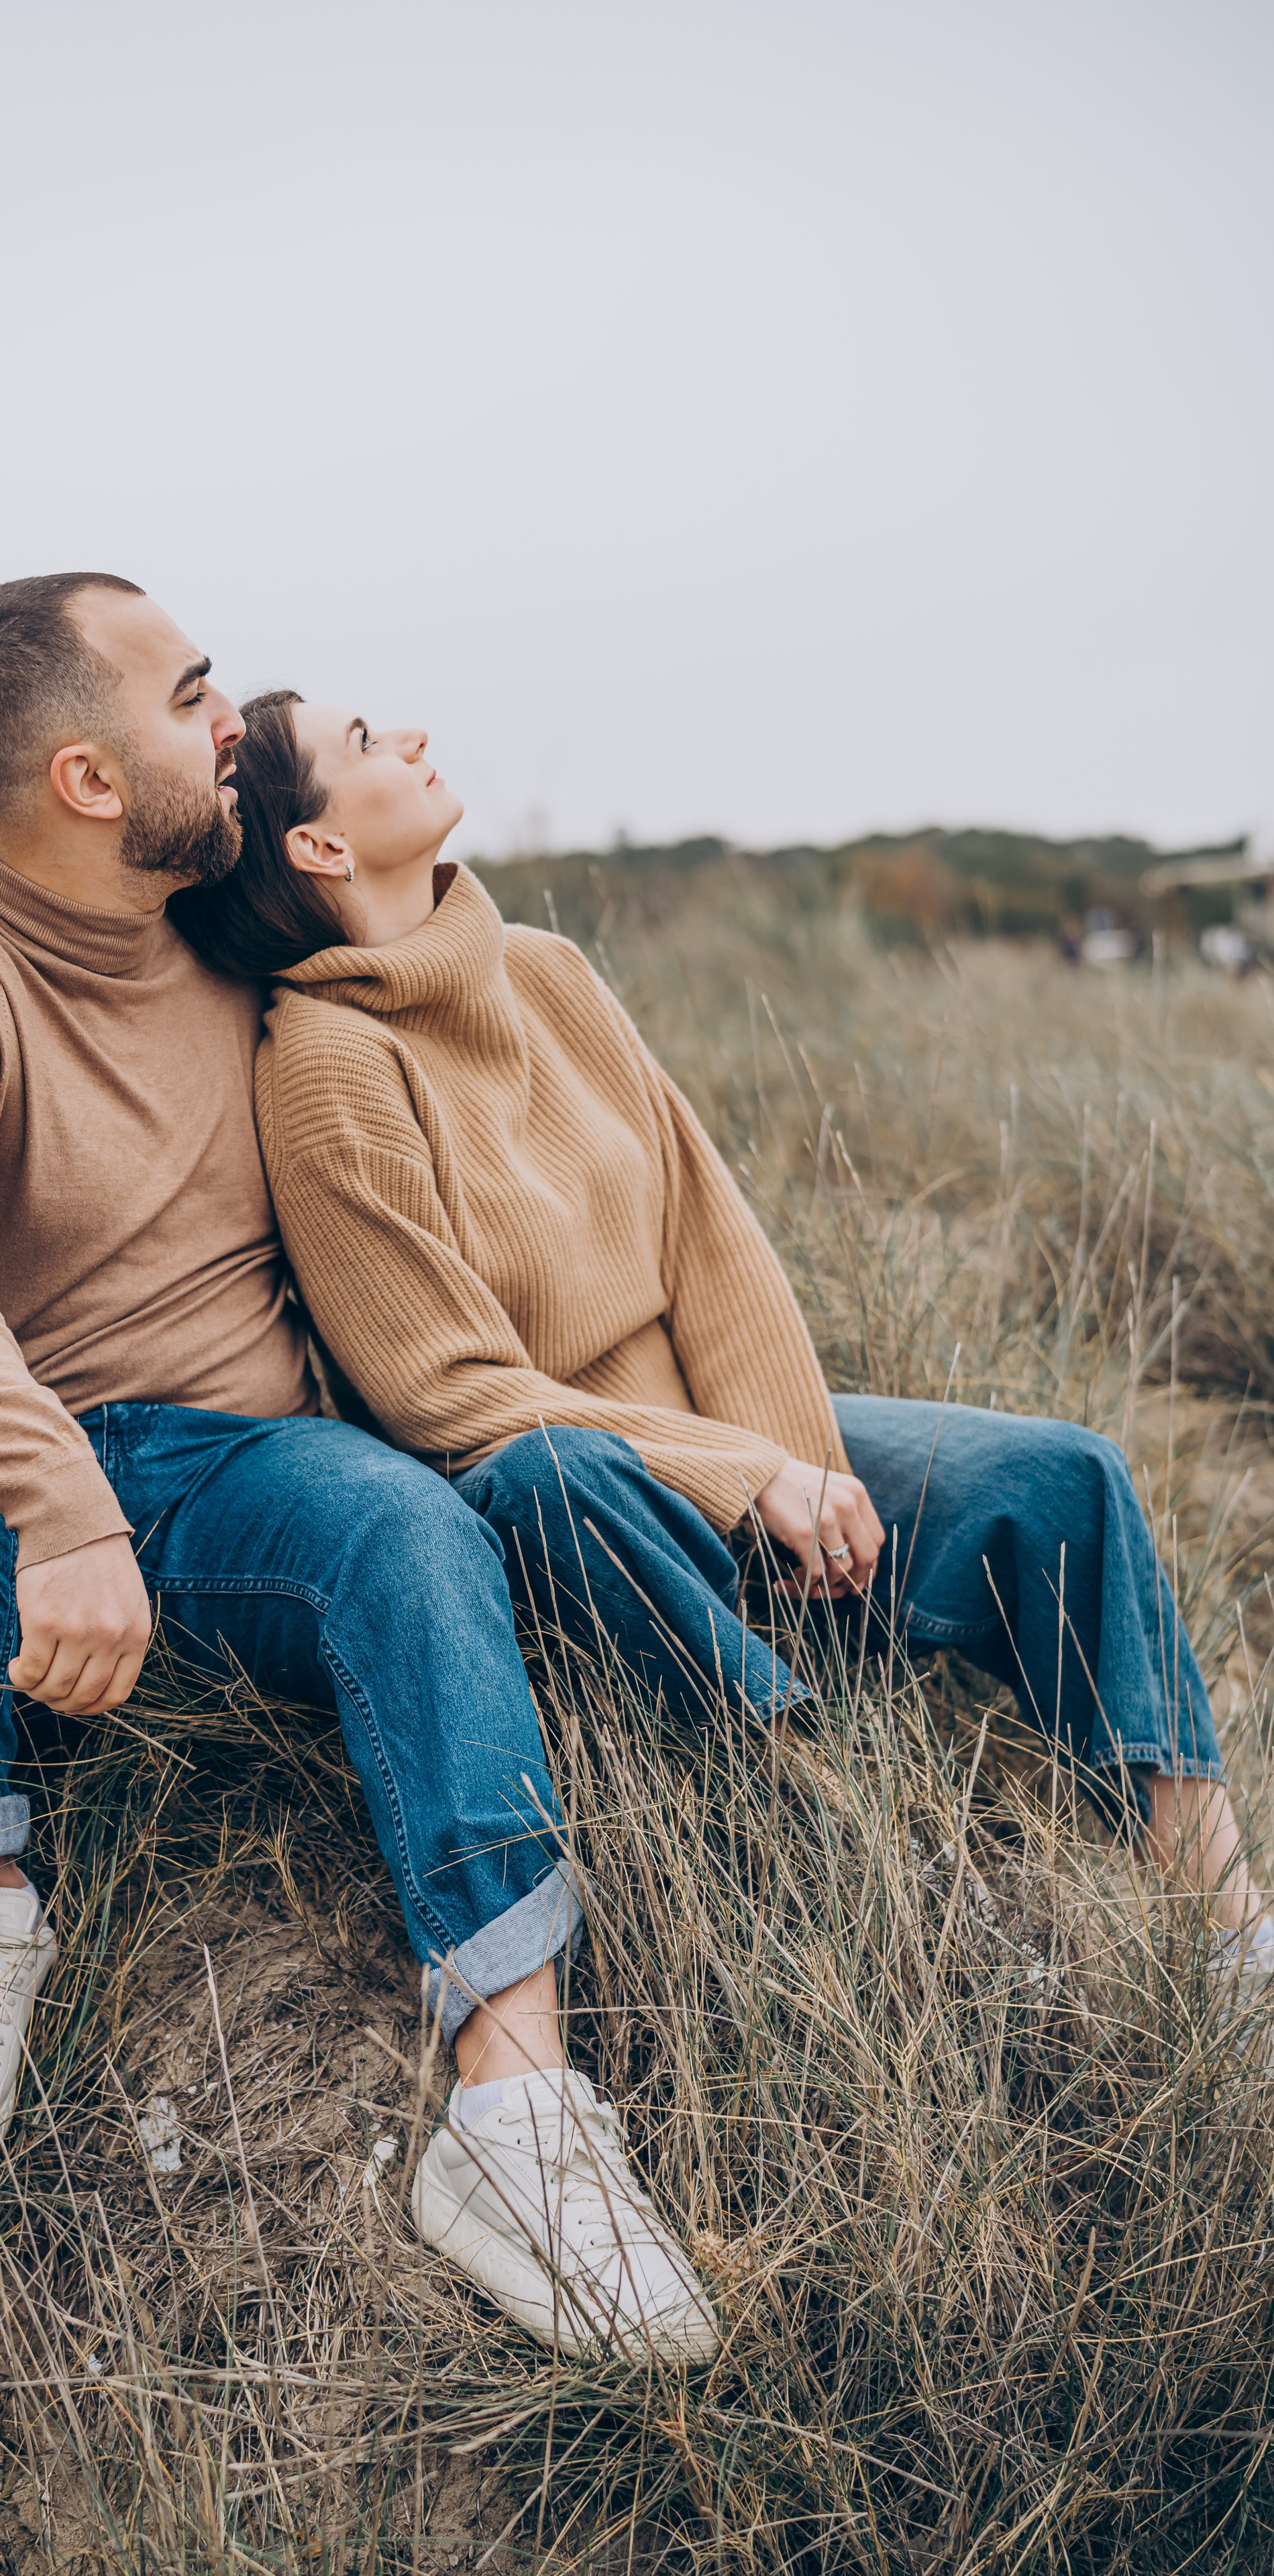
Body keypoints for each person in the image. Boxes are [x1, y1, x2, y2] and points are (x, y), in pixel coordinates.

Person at [0, 574, 719, 2365]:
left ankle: (516, 2115)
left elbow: (444, 1004)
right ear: (83, 776)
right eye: (193, 690)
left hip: (245, 1482)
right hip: (18, 1482)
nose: (235, 718)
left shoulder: (233, 942)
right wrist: (57, 1501)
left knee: (406, 1529)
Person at [170, 690, 1273, 2086]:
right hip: (570, 1505)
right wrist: (737, 1480)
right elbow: (440, 1392)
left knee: (1063, 1478)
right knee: (548, 1474)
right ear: (320, 851)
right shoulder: (321, 1063)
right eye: (366, 742)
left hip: (726, 1460)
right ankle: (846, 1832)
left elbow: (708, 1233)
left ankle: (1228, 1935)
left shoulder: (547, 972)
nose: (411, 736)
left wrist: (797, 1470)